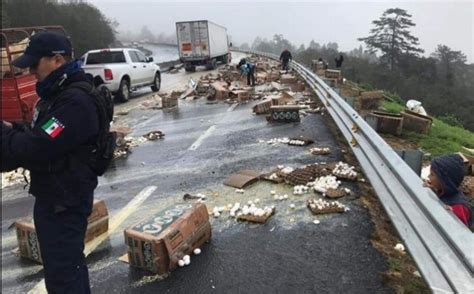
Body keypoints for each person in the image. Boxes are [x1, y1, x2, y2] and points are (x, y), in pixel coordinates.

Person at [1, 31, 100, 293]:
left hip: (64, 202)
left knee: (63, 276)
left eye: (35, 64)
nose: (31, 71)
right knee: (69, 269)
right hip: (58, 196)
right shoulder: (62, 94)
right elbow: (43, 133)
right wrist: (14, 128)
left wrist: (5, 136)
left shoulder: (74, 102)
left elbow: (40, 145)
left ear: (57, 60)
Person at [424, 154, 472, 227]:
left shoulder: (458, 207)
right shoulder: (442, 190)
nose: (428, 176)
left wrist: (451, 215)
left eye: (432, 174)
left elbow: (461, 231)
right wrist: (431, 190)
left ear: (444, 181)